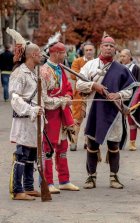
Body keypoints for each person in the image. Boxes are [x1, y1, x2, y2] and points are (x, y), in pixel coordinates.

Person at [77, 35, 135, 189]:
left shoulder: (121, 69)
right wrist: (93, 86)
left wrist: (119, 95)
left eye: (111, 46)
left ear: (115, 49)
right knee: (92, 143)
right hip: (93, 109)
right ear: (100, 47)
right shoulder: (90, 65)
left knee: (114, 144)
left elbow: (129, 90)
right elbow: (79, 84)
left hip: (113, 112)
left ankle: (114, 177)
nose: (109, 48)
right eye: (106, 45)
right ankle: (91, 177)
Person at [7, 30, 43, 200]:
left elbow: (39, 97)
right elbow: (14, 97)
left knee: (31, 154)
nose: (42, 55)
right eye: (40, 53)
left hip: (34, 120)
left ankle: (28, 187)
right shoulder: (19, 73)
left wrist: (58, 101)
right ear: (33, 54)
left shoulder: (35, 73)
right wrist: (30, 110)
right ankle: (17, 190)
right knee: (21, 154)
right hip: (23, 119)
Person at [40, 41, 80, 194]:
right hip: (50, 115)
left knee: (63, 148)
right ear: (56, 53)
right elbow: (42, 98)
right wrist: (60, 101)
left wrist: (69, 96)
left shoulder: (61, 68)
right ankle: (48, 182)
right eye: (63, 53)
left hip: (63, 114)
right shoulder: (44, 71)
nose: (66, 55)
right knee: (48, 149)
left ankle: (64, 180)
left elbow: (68, 88)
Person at [119, 49, 140, 151]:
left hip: (133, 98)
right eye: (121, 56)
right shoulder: (117, 68)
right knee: (118, 121)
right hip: (119, 97)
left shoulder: (136, 69)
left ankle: (132, 142)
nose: (122, 58)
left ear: (129, 57)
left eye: (124, 56)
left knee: (131, 121)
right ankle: (119, 142)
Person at [69, 42, 96, 151]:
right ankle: (73, 142)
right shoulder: (77, 61)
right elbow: (73, 75)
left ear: (94, 50)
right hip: (79, 95)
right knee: (76, 119)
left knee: (91, 119)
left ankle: (87, 142)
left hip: (93, 94)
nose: (89, 52)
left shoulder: (97, 62)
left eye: (90, 50)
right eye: (87, 50)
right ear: (83, 51)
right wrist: (88, 74)